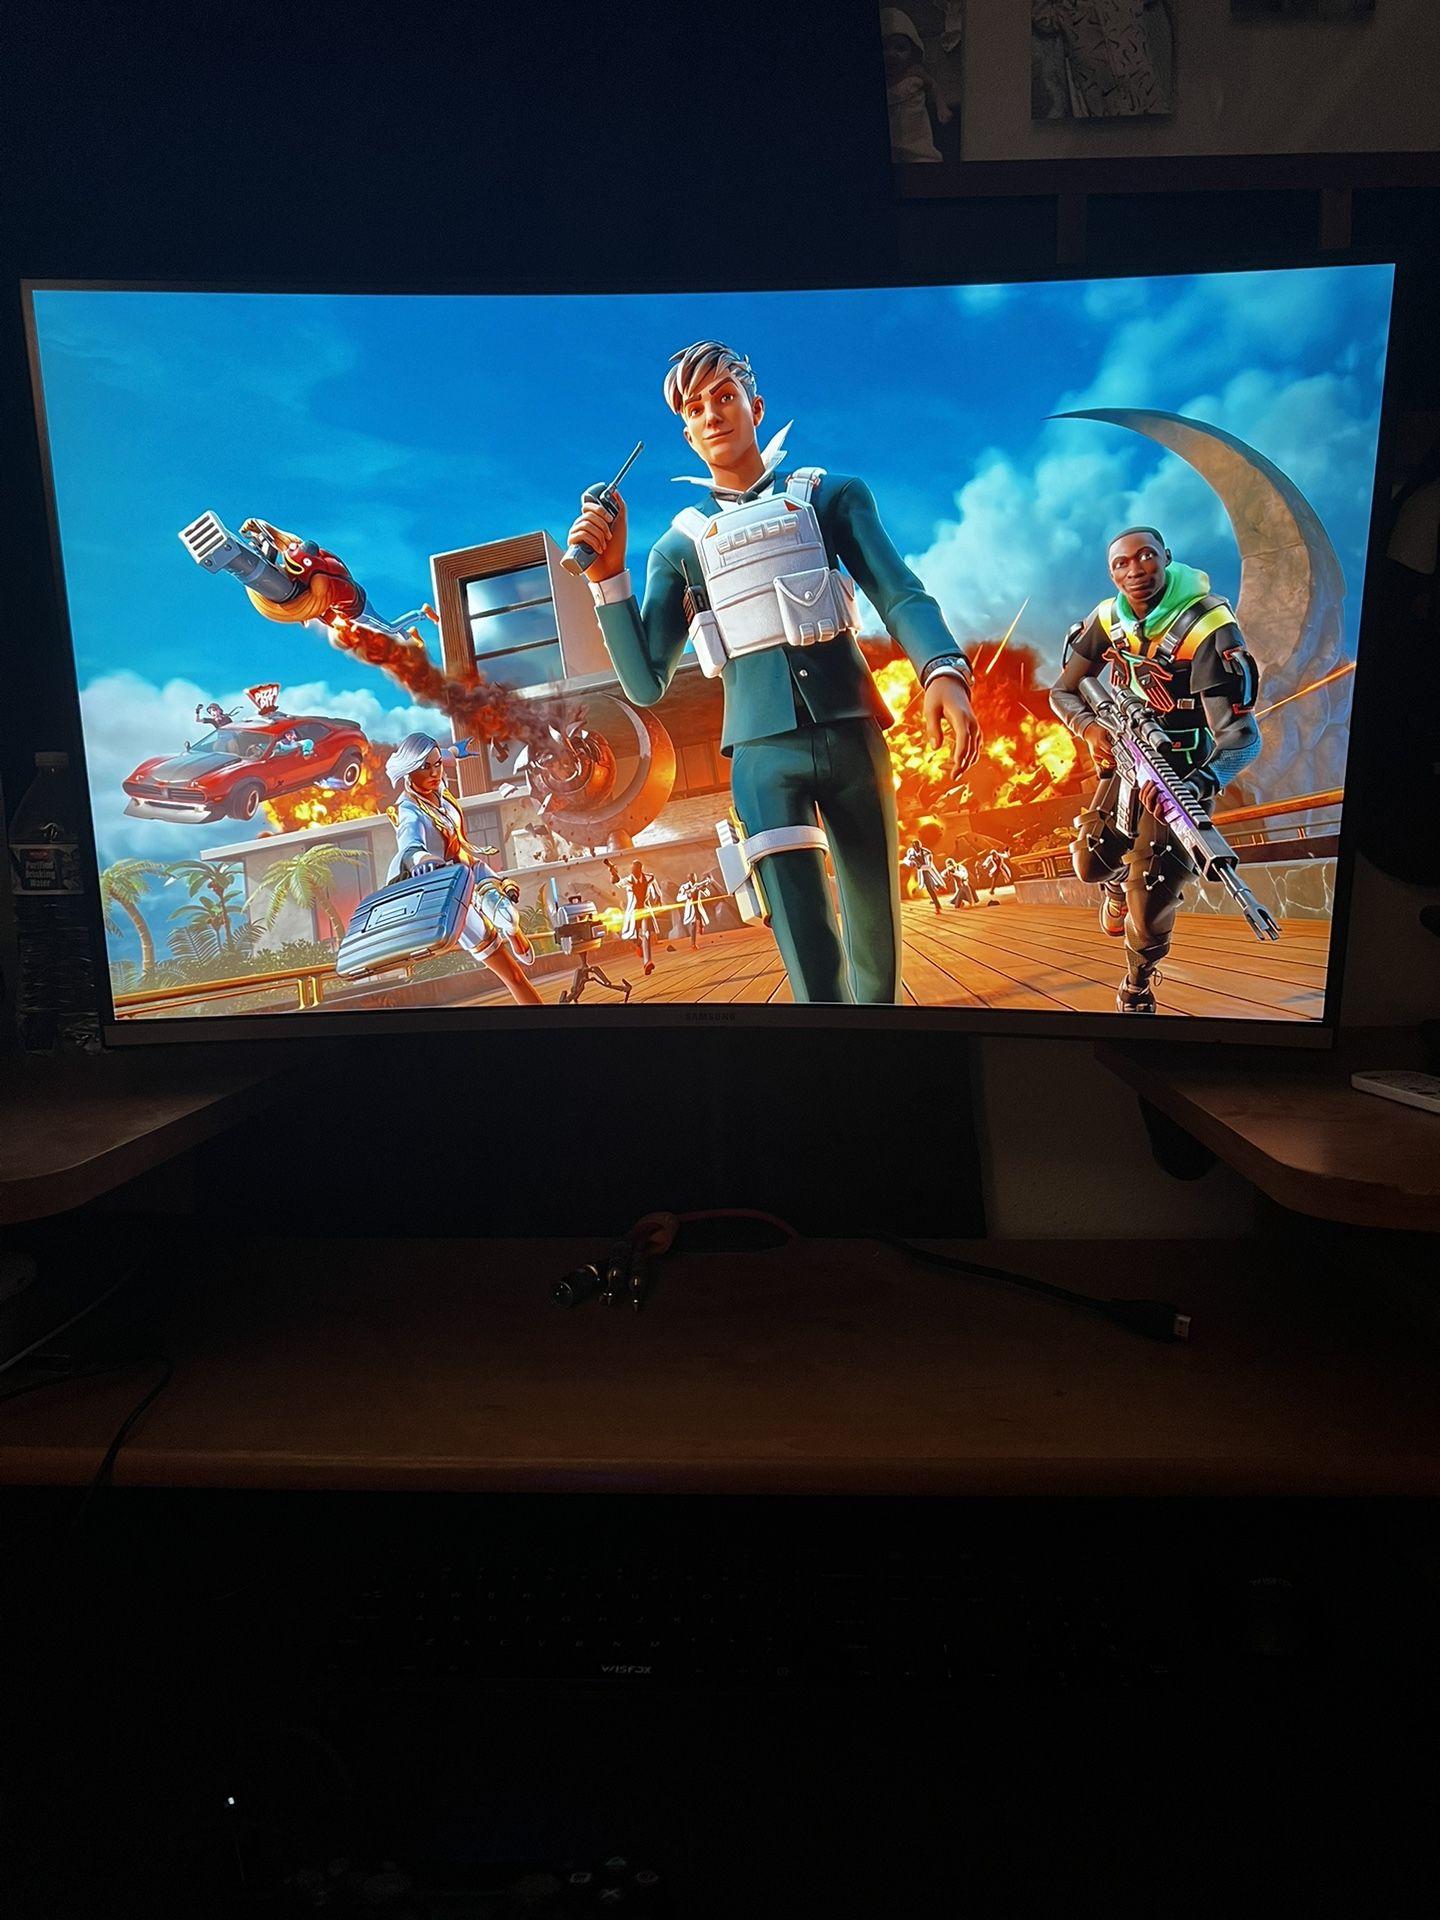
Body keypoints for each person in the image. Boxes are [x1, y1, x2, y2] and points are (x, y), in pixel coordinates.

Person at [568, 338, 980, 1005]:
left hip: (852, 734)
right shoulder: (678, 549)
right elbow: (646, 684)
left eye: (724, 397)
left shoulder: (832, 497)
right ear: (686, 433)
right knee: (808, 953)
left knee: (876, 936)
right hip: (761, 756)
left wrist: (942, 669)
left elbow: (898, 592)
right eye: (695, 408)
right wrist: (608, 579)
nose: (712, 415)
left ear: (755, 407)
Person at [1050, 527, 1261, 1013]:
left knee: (1149, 907)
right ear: (1111, 573)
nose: (1135, 571)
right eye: (1120, 564)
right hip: (1126, 751)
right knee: (1090, 862)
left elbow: (1242, 738)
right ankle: (1113, 886)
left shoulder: (1207, 627)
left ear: (1166, 556)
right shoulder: (1108, 618)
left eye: (1145, 557)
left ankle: (1137, 984)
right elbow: (1063, 690)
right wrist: (1090, 729)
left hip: (1181, 770)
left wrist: (1198, 783)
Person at [385, 733, 541, 1007]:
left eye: (437, 765)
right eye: (425, 767)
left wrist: (454, 752)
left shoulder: (438, 788)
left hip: (471, 868)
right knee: (514, 975)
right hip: (451, 893)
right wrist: (422, 859)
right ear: (410, 769)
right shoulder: (409, 811)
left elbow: (442, 758)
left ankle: (513, 932)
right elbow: (409, 844)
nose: (434, 773)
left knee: (508, 916)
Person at [880, 9, 951, 164]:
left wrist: (942, 107)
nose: (892, 54)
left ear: (912, 53)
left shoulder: (915, 71)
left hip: (917, 140)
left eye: (900, 48)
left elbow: (933, 86)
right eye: (885, 47)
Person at [901, 838, 946, 915]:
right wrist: (910, 863)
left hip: (929, 871)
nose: (916, 848)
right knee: (929, 888)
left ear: (920, 846)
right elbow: (905, 859)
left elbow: (928, 866)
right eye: (914, 847)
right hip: (921, 872)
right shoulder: (911, 852)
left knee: (930, 888)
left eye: (917, 846)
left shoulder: (927, 853)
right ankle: (937, 903)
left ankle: (937, 905)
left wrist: (919, 866)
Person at [676, 872, 711, 951]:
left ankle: (701, 926)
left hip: (698, 906)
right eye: (692, 878)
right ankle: (693, 943)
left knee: (701, 921)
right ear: (688, 879)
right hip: (691, 907)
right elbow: (678, 898)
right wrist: (688, 895)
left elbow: (708, 894)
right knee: (693, 925)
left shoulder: (698, 885)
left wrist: (704, 888)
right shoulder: (684, 887)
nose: (694, 879)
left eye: (694, 877)